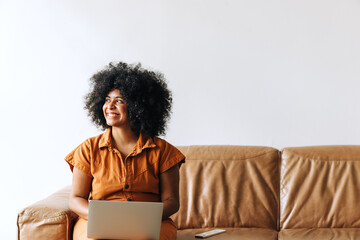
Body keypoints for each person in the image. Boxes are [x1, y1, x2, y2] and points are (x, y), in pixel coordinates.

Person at [65, 62, 185, 240]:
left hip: (148, 224)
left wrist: (142, 218)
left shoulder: (164, 151)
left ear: (138, 106)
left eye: (119, 100)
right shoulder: (88, 149)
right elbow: (76, 198)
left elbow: (172, 202)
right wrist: (104, 219)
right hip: (97, 223)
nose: (110, 106)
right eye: (107, 100)